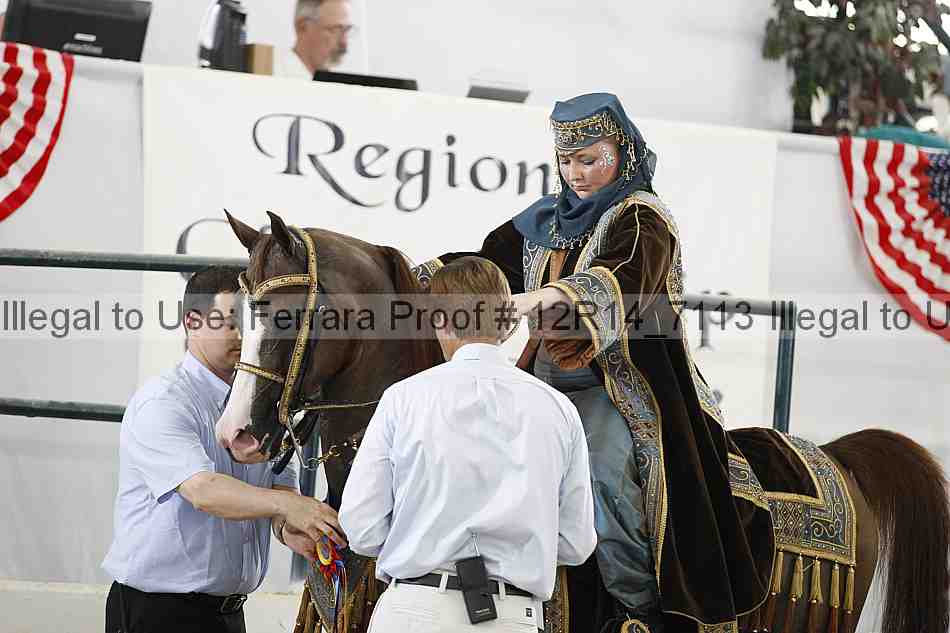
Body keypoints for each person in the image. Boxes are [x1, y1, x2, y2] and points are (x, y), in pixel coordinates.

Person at [412, 94, 774, 632]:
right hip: (541, 382)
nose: (575, 173)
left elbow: (619, 280)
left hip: (620, 391)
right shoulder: (545, 221)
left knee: (603, 477)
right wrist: (410, 277)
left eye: (589, 159)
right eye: (566, 160)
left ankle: (638, 610)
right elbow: (483, 267)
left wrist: (533, 300)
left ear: (622, 152)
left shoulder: (644, 219)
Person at [339, 256, 597, 633]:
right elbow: (575, 542)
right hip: (513, 616)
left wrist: (423, 540)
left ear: (439, 320)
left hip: (416, 608)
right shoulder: (559, 408)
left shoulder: (403, 398)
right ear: (508, 324)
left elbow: (362, 528)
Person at [102, 266, 346, 633]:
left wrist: (287, 528)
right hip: (158, 611)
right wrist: (287, 506)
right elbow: (203, 491)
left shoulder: (264, 409)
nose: (245, 336)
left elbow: (278, 491)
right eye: (232, 322)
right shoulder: (163, 402)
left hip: (227, 614)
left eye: (254, 324)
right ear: (192, 322)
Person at [274, 0, 352, 79]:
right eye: (335, 30)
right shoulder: (274, 76)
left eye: (347, 30)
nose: (344, 42)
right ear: (303, 27)